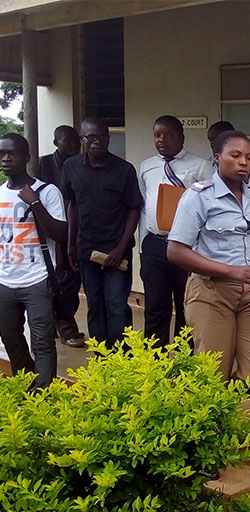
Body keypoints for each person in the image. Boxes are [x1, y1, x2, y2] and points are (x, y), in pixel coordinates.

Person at [167, 130, 250, 397]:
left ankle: (217, 404)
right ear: (217, 157)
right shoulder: (198, 196)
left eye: (249, 157)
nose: (244, 162)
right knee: (212, 373)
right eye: (235, 155)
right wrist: (231, 271)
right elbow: (176, 251)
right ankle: (209, 412)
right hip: (211, 292)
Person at [62, 116, 143, 349]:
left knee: (116, 304)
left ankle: (122, 357)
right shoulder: (71, 167)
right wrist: (71, 245)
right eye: (92, 137)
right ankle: (101, 356)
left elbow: (134, 209)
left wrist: (121, 248)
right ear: (82, 139)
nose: (98, 141)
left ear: (109, 139)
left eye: (103, 137)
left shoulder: (124, 170)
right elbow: (72, 205)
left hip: (116, 251)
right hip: (86, 249)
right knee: (95, 304)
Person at [137, 115, 212, 347]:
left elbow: (210, 206)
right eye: (157, 135)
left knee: (185, 306)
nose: (162, 139)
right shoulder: (146, 166)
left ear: (181, 137)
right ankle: (155, 361)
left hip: (187, 247)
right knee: (155, 306)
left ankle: (183, 361)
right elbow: (143, 207)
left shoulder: (201, 166)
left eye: (169, 135)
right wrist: (143, 245)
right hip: (154, 244)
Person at [0, 133, 67, 390]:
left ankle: (42, 397)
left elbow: (60, 234)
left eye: (12, 153)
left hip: (37, 279)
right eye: (2, 154)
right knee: (11, 341)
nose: (6, 159)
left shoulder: (47, 191)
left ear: (26, 157)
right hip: (5, 281)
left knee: (42, 343)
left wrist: (35, 202)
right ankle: (27, 389)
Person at [38, 125, 85, 348]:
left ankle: (60, 322)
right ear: (56, 143)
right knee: (57, 281)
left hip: (76, 231)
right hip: (52, 232)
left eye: (77, 140)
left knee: (71, 281)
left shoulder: (81, 164)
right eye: (68, 141)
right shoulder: (42, 165)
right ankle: (66, 328)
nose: (74, 145)